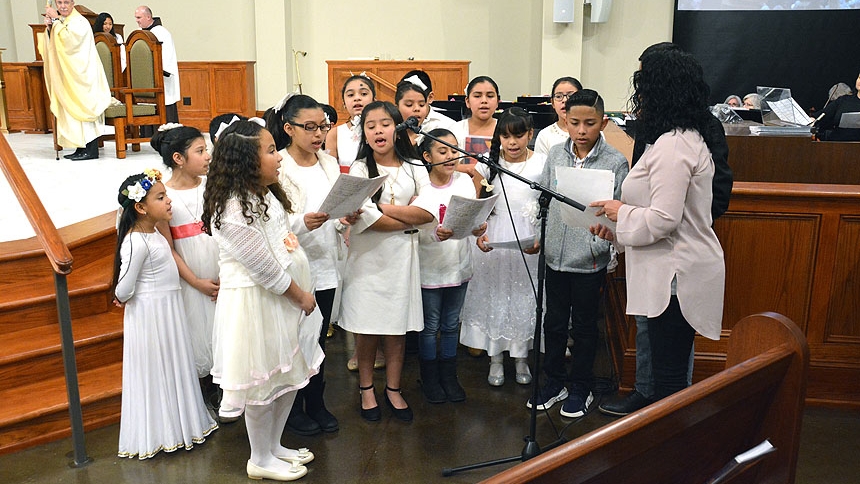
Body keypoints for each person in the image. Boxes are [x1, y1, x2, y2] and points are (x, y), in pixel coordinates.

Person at [599, 42, 733, 417]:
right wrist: (617, 231)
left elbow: (663, 219)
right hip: (667, 268)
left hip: (675, 275)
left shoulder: (675, 146)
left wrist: (620, 211)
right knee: (664, 378)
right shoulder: (677, 138)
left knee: (670, 385)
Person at [202, 119, 321, 481]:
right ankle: (259, 458)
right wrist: (301, 296)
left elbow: (278, 229)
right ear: (245, 162)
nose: (279, 158)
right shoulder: (232, 208)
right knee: (261, 384)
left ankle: (274, 446)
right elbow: (263, 268)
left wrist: (304, 223)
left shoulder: (263, 193)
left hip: (281, 297)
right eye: (270, 151)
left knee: (288, 376)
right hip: (257, 303)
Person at [527, 90, 628, 418]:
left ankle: (581, 387)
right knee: (553, 323)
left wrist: (602, 244)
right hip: (555, 253)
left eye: (590, 123)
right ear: (564, 122)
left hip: (589, 259)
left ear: (604, 123)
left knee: (584, 327)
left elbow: (618, 212)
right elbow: (543, 196)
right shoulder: (555, 154)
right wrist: (541, 234)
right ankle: (555, 381)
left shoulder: (615, 161)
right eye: (574, 123)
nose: (582, 130)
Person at [338, 101, 435, 422]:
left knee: (397, 327)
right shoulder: (359, 170)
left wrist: (384, 208)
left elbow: (428, 211)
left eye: (384, 123)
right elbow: (366, 217)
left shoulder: (414, 166)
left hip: (402, 261)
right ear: (364, 134)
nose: (378, 130)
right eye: (370, 125)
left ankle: (393, 389)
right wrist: (409, 219)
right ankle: (367, 389)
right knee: (367, 328)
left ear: (398, 128)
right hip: (367, 261)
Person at [112, 168, 218, 459]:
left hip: (167, 311)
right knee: (156, 370)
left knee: (172, 366)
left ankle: (179, 424)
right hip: (151, 316)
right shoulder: (136, 241)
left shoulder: (155, 235)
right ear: (141, 207)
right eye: (160, 197)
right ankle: (160, 431)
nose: (168, 201)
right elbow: (123, 289)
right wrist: (123, 297)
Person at [264, 94, 348, 436]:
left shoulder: (328, 163)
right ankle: (293, 407)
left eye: (323, 126)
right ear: (289, 128)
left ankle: (316, 402)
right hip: (294, 267)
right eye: (309, 127)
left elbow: (336, 207)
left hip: (326, 262)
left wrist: (347, 216)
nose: (318, 134)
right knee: (293, 339)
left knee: (320, 341)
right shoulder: (277, 165)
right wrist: (302, 223)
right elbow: (272, 221)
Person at [459, 108, 545, 388]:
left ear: (530, 135)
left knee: (522, 297)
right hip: (495, 234)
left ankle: (521, 358)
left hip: (527, 236)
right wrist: (479, 233)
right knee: (495, 296)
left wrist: (540, 236)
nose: (512, 143)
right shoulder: (488, 163)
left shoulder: (542, 164)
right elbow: (477, 203)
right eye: (506, 136)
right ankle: (495, 358)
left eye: (519, 136)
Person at [150, 124, 222, 418]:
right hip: (191, 280)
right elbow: (169, 248)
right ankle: (205, 394)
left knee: (222, 331)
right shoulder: (164, 196)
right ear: (178, 158)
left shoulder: (213, 186)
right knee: (198, 335)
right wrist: (195, 281)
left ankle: (227, 389)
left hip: (222, 274)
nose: (208, 157)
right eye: (201, 151)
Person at [414, 128, 486, 404]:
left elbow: (469, 219)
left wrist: (478, 227)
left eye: (454, 150)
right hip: (431, 266)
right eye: (442, 151)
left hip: (459, 264)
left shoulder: (465, 183)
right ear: (427, 156)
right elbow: (416, 227)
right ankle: (430, 379)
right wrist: (435, 233)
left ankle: (449, 376)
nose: (450, 156)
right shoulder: (421, 188)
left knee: (451, 323)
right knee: (431, 326)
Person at [39, 0, 111, 160]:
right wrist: (50, 27)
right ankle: (80, 147)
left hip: (83, 76)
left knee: (85, 110)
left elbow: (70, 42)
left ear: (73, 3)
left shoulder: (80, 22)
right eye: (59, 2)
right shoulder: (64, 21)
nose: (63, 6)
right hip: (70, 76)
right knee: (73, 114)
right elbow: (55, 43)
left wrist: (56, 21)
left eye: (66, 2)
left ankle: (91, 150)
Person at [134, 6, 180, 123]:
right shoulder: (139, 34)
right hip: (145, 82)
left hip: (161, 80)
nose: (137, 20)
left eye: (139, 17)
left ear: (148, 17)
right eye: (136, 18)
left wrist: (157, 71)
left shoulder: (162, 33)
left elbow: (167, 56)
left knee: (165, 107)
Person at [451, 76, 500, 183]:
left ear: (498, 102)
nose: (484, 101)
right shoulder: (454, 129)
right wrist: (472, 169)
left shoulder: (505, 129)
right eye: (477, 96)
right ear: (467, 101)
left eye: (490, 96)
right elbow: (444, 165)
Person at [325, 74, 376, 171]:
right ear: (344, 103)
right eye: (350, 95)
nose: (357, 98)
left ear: (374, 100)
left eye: (364, 94)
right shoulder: (334, 134)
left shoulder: (381, 130)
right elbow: (330, 172)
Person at [533, 77, 583, 156]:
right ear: (552, 103)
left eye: (570, 95)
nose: (565, 100)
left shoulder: (594, 132)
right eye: (559, 96)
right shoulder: (545, 135)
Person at [814, 71, 860, 141]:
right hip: (838, 146)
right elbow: (820, 116)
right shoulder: (843, 100)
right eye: (859, 78)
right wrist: (809, 120)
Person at [395, 79, 430, 146]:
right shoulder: (390, 136)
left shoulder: (430, 135)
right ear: (397, 107)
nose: (417, 109)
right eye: (409, 104)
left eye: (421, 105)